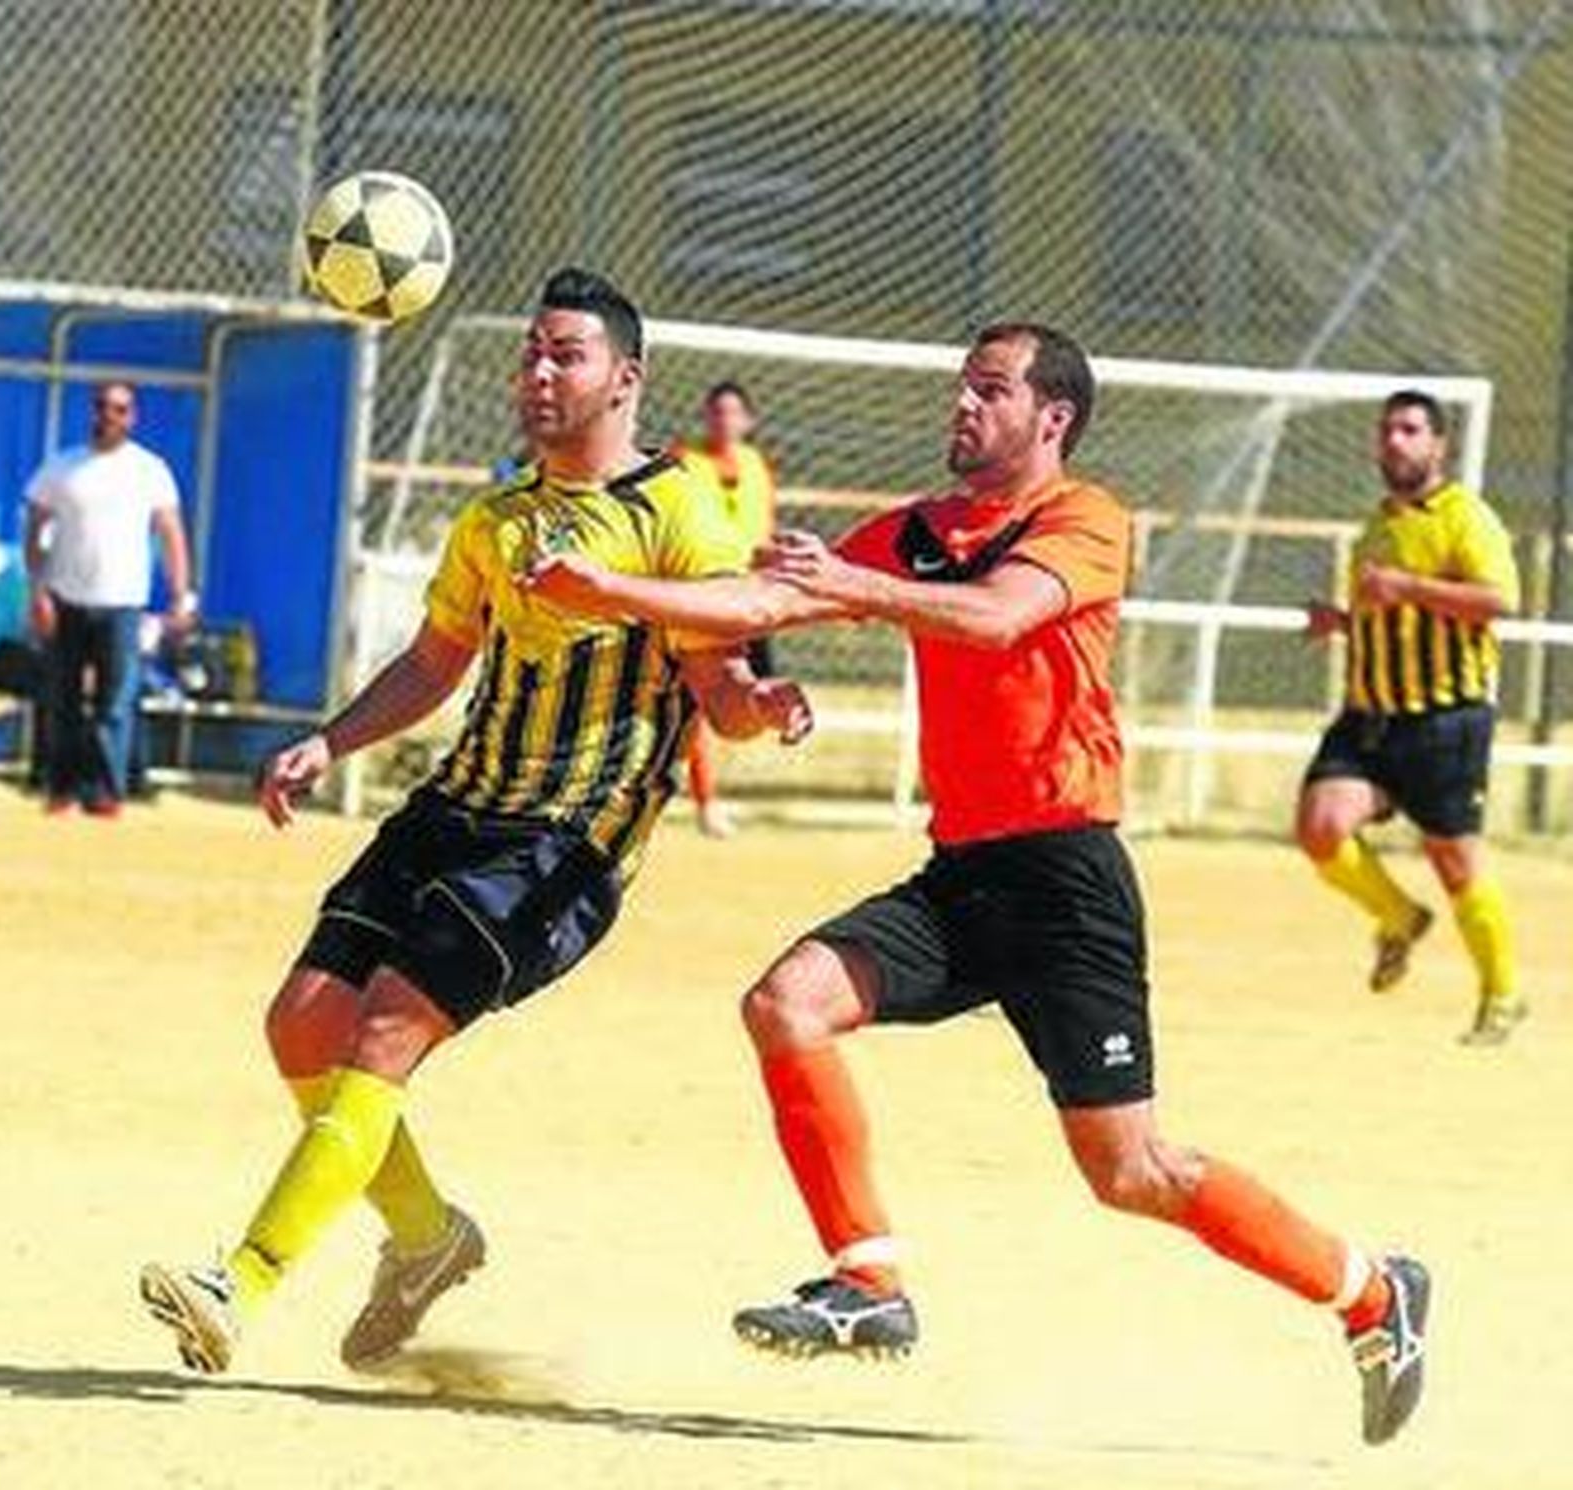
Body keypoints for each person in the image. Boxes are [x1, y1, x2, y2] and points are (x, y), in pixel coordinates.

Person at [526, 322, 1431, 1447]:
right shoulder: (912, 532)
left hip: (1067, 882)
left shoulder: (1083, 518)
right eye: (962, 385)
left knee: (1133, 1169)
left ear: (1050, 418)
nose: (963, 404)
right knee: (785, 1002)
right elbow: (760, 606)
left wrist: (851, 584)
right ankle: (867, 1282)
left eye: (989, 389)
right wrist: (610, 584)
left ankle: (1373, 1292)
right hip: (962, 876)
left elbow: (999, 616)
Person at [137, 267, 812, 1376]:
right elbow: (437, 658)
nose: (540, 374)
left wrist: (760, 705)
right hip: (455, 807)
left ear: (625, 378)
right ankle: (427, 1236)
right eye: (531, 354)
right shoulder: (495, 518)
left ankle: (239, 1279)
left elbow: (718, 672)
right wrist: (331, 739)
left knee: (389, 1023)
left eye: (567, 355)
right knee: (302, 1023)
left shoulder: (677, 507)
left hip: (565, 842)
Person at [1296, 391, 1523, 1046]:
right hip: (1370, 715)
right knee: (1320, 828)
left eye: (1410, 429)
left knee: (1453, 856)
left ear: (1438, 444)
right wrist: (1341, 623)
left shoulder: (1465, 517)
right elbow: (1390, 617)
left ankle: (1502, 994)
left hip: (1444, 719)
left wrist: (1408, 588)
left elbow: (1498, 601)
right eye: (1387, 430)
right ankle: (1399, 916)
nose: (1395, 441)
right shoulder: (1378, 523)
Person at [23, 381, 195, 815]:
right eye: (102, 406)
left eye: (119, 408)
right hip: (66, 599)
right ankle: (60, 790)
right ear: (93, 411)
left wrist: (181, 595)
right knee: (62, 699)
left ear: (132, 416)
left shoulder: (149, 469)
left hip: (123, 603)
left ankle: (103, 793)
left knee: (114, 703)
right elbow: (34, 530)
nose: (109, 415)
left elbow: (171, 534)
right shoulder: (62, 467)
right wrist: (38, 590)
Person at [674, 381, 779, 837]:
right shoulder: (683, 460)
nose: (724, 420)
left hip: (749, 595)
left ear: (748, 421)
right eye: (716, 412)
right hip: (701, 595)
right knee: (695, 701)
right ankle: (705, 800)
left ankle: (689, 780)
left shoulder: (756, 465)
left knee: (744, 700)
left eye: (733, 413)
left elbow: (764, 524)